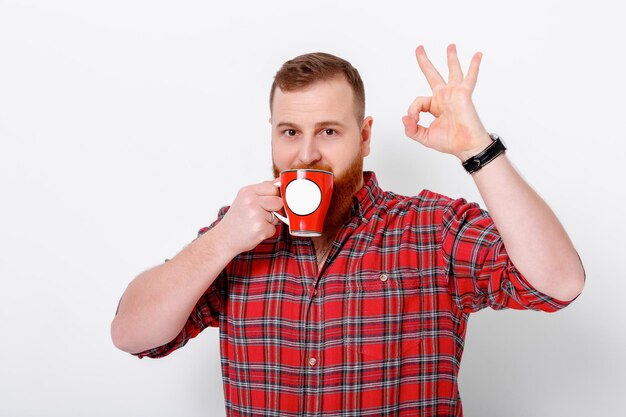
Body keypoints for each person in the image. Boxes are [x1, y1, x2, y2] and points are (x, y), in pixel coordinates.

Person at [111, 44, 585, 416]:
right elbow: (132, 334)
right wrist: (220, 242)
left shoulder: (431, 230)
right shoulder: (235, 238)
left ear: (365, 137)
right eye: (290, 132)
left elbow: (559, 283)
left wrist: (476, 147)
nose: (306, 155)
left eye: (330, 132)